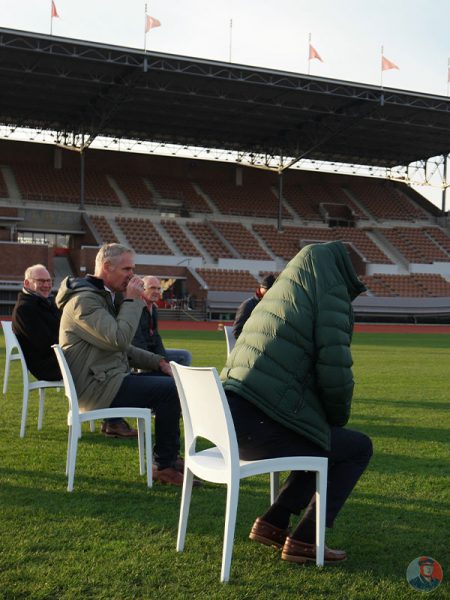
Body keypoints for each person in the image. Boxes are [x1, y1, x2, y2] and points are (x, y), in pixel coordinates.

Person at [221, 241, 373, 565]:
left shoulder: (281, 293)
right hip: (257, 428)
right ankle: (306, 540)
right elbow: (335, 371)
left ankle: (274, 521)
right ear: (348, 273)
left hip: (230, 423)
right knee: (355, 447)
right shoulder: (330, 294)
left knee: (321, 440)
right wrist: (337, 418)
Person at [56, 243, 184, 485]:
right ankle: (164, 466)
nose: (132, 275)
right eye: (127, 269)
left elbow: (122, 346)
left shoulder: (100, 296)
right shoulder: (85, 302)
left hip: (106, 379)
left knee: (171, 382)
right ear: (106, 267)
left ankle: (168, 457)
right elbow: (119, 339)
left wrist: (159, 362)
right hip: (96, 388)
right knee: (170, 391)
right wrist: (133, 301)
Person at [12, 264, 61, 381]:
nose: (46, 285)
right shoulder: (24, 309)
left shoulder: (46, 303)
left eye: (49, 281)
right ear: (27, 283)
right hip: (47, 367)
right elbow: (45, 344)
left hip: (58, 358)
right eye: (41, 281)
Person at [132, 275, 192, 367]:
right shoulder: (135, 308)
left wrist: (163, 359)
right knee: (181, 358)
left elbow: (156, 337)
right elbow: (137, 341)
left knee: (185, 355)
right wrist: (157, 362)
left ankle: (169, 378)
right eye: (152, 288)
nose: (156, 292)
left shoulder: (153, 308)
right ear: (142, 289)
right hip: (139, 353)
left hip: (151, 350)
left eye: (158, 289)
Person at [232, 274, 276, 339]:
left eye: (272, 290)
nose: (270, 292)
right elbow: (237, 332)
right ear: (261, 288)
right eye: (268, 289)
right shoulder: (248, 305)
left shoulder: (274, 306)